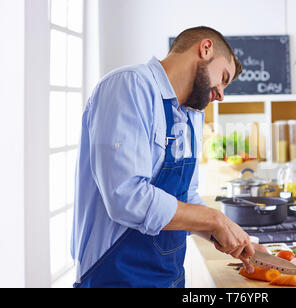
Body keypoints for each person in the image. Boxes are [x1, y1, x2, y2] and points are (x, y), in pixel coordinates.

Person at [71, 26, 259, 288]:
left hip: (169, 277)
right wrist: (215, 219)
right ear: (205, 49)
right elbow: (125, 198)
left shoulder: (193, 114)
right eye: (223, 77)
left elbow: (185, 198)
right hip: (115, 276)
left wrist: (223, 235)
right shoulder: (129, 85)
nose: (221, 95)